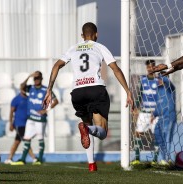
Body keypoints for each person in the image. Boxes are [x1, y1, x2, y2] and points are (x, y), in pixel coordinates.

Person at [43, 22, 133, 171]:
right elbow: (115, 69)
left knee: (86, 123)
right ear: (96, 34)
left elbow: (56, 66)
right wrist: (127, 91)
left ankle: (91, 164)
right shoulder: (100, 47)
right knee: (101, 132)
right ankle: (88, 130)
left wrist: (49, 89)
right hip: (95, 89)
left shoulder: (73, 48)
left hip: (77, 92)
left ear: (82, 36)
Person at [11, 71, 59, 165]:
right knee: (26, 138)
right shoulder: (30, 88)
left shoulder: (46, 90)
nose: (36, 80)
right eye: (35, 78)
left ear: (41, 79)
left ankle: (39, 159)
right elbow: (21, 87)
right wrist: (29, 76)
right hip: (30, 118)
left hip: (40, 119)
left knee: (40, 138)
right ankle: (22, 159)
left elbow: (56, 101)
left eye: (38, 78)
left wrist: (46, 110)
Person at [131, 60, 159, 165]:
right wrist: (136, 107)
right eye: (148, 67)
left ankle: (155, 160)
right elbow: (140, 94)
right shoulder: (143, 80)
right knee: (138, 133)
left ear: (154, 67)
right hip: (144, 111)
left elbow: (161, 95)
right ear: (146, 68)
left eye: (152, 67)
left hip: (155, 113)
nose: (150, 69)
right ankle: (137, 158)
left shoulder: (159, 80)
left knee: (157, 135)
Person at [4, 91, 37, 164]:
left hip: (27, 124)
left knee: (17, 142)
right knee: (26, 141)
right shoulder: (16, 99)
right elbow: (11, 111)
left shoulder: (28, 99)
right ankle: (34, 158)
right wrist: (11, 124)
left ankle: (9, 158)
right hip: (19, 124)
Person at [151, 72, 176, 165]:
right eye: (158, 79)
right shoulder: (158, 90)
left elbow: (167, 82)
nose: (158, 81)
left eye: (160, 79)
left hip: (169, 117)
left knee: (167, 138)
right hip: (160, 118)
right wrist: (154, 114)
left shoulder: (170, 88)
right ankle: (163, 159)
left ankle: (168, 159)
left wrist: (159, 75)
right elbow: (158, 105)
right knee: (158, 136)